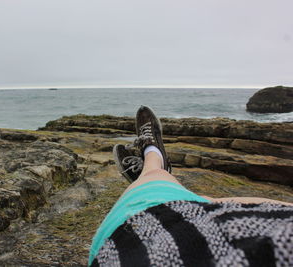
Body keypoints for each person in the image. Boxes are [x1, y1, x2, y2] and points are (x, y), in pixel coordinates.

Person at [89, 106, 293, 267]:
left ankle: (153, 161)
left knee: (161, 188)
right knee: (206, 204)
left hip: (137, 252)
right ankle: (153, 167)